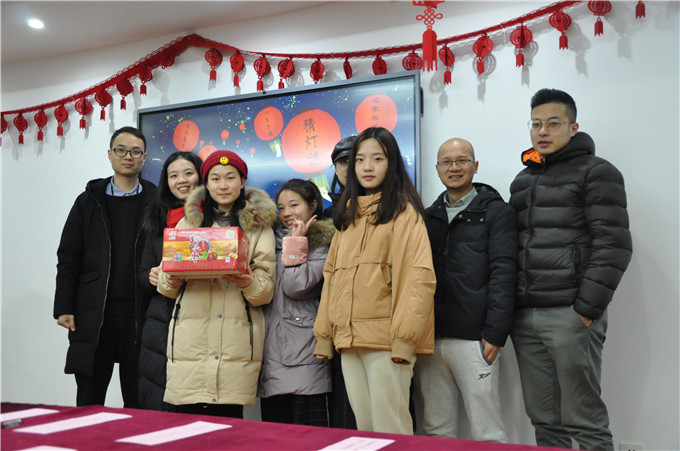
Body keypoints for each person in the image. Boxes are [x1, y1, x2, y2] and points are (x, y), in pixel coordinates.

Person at [509, 89, 632, 451]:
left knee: (584, 418)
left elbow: (614, 244)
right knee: (543, 417)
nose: (542, 131)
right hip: (526, 316)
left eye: (553, 123)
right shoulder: (523, 180)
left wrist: (586, 309)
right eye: (536, 124)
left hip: (569, 314)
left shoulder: (598, 172)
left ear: (573, 127)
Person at [313, 126, 436, 435]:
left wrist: (403, 341)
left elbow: (417, 282)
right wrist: (325, 335)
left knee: (391, 431)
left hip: (386, 342)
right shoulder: (347, 217)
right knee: (366, 433)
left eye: (377, 159)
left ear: (391, 164)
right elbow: (331, 279)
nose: (367, 167)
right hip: (348, 340)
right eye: (360, 159)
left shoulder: (405, 215)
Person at [156, 150, 276, 418]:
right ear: (206, 184)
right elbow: (166, 286)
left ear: (242, 182)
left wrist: (248, 282)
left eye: (230, 178)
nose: (223, 185)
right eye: (215, 178)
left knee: (227, 424)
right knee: (187, 424)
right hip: (190, 338)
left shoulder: (259, 227)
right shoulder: (188, 222)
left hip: (235, 338)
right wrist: (170, 278)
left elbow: (264, 292)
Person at [414, 138, 517, 442]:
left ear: (475, 166)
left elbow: (504, 273)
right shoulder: (427, 217)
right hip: (431, 340)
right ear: (437, 169)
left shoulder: (497, 212)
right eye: (446, 162)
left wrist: (495, 333)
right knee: (437, 430)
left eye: (462, 160)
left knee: (488, 432)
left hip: (476, 339)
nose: (454, 167)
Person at [54, 126, 158, 407]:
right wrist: (64, 307)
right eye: (121, 150)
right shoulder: (88, 201)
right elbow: (69, 257)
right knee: (89, 399)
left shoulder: (156, 202)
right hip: (94, 313)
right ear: (110, 154)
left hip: (142, 314)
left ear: (144, 158)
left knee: (140, 403)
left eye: (135, 151)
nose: (128, 157)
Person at [258, 179, 334, 426]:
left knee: (310, 438)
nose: (287, 213)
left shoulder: (323, 244)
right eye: (281, 208)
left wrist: (297, 242)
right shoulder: (270, 242)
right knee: (275, 439)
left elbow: (296, 286)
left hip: (305, 357)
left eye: (294, 205)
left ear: (313, 205)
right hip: (270, 356)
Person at [137, 151, 202, 411]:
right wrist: (151, 276)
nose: (181, 180)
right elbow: (143, 273)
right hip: (162, 319)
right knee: (160, 400)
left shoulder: (215, 216)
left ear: (201, 176)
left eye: (188, 173)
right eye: (173, 175)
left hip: (200, 315)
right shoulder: (157, 218)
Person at [322, 135, 358, 430]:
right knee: (343, 413)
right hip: (336, 325)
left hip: (379, 327)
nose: (351, 167)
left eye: (357, 159)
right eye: (343, 161)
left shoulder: (395, 207)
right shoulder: (326, 215)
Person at [322, 136, 356, 220]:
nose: (349, 168)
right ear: (335, 168)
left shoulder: (385, 207)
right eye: (343, 162)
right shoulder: (328, 215)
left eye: (356, 161)